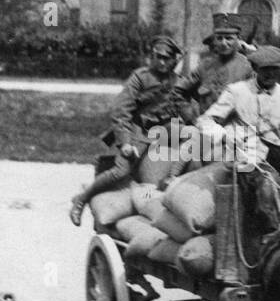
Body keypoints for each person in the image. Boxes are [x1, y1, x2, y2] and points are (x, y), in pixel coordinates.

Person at [197, 45, 280, 236]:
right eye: (265, 70)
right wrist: (225, 135)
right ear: (255, 69)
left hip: (279, 154)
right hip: (248, 156)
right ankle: (271, 233)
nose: (270, 75)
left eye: (274, 70)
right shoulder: (236, 91)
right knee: (268, 182)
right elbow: (206, 120)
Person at [69, 36, 191, 226]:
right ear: (152, 56)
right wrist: (125, 142)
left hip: (164, 128)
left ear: (175, 60)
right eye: (158, 57)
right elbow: (121, 111)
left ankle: (172, 180)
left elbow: (187, 108)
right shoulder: (140, 77)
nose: (162, 62)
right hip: (138, 128)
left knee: (195, 138)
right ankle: (82, 199)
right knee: (121, 171)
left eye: (167, 58)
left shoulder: (178, 81)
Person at [173, 13, 254, 114]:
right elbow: (178, 91)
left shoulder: (248, 67)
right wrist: (188, 114)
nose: (223, 43)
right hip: (206, 126)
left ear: (238, 39)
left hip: (236, 126)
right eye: (219, 38)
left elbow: (258, 100)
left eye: (229, 38)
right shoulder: (205, 65)